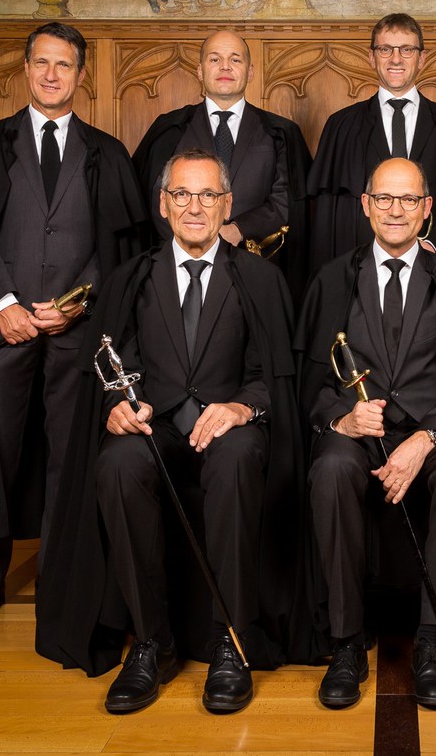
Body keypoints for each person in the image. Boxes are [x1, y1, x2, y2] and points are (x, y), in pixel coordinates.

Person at [35, 150, 308, 714]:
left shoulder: (260, 279)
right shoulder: (131, 278)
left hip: (230, 429)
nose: (194, 206)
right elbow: (114, 369)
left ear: (227, 205)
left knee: (237, 459)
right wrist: (116, 406)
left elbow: (273, 378)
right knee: (117, 462)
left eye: (208, 195)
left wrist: (241, 408)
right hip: (156, 426)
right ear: (163, 204)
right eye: (182, 194)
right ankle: (151, 641)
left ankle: (230, 641)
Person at [0, 22, 151, 626]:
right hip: (4, 331)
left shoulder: (106, 154)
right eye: (42, 63)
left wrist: (79, 301)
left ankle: (59, 576)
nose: (51, 75)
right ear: (25, 69)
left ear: (81, 75)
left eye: (64, 65)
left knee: (69, 455)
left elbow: (117, 250)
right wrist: (4, 305)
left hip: (77, 333)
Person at [295, 158, 436, 710]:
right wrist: (343, 419)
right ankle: (346, 641)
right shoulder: (332, 279)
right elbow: (310, 382)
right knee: (330, 468)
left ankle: (433, 638)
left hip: (432, 432)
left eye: (409, 200)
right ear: (366, 205)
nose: (396, 210)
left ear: (427, 208)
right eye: (384, 198)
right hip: (358, 432)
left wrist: (427, 438)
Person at [132, 30, 312, 297]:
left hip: (256, 270)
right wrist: (192, 241)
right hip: (179, 272)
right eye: (215, 59)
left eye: (235, 60)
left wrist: (238, 230)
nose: (225, 66)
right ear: (200, 71)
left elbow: (287, 200)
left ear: (250, 72)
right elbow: (154, 196)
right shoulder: (169, 129)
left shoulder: (280, 133)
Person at [307, 13, 436, 276]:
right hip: (361, 270)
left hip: (433, 268)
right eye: (385, 49)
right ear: (371, 57)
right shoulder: (341, 126)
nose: (395, 59)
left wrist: (432, 246)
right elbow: (330, 214)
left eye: (406, 49)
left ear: (421, 58)